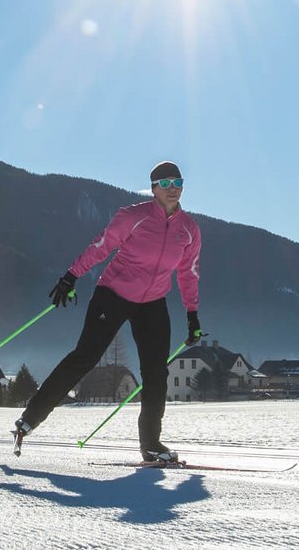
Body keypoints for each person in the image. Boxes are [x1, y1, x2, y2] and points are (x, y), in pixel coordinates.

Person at [13, 161, 204, 464]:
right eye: (165, 183)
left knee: (156, 372)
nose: (173, 189)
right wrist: (71, 275)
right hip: (113, 294)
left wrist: (192, 315)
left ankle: (151, 444)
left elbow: (188, 274)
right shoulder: (134, 216)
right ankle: (29, 419)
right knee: (84, 358)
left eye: (178, 182)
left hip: (153, 302)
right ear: (153, 188)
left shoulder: (189, 230)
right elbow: (101, 246)